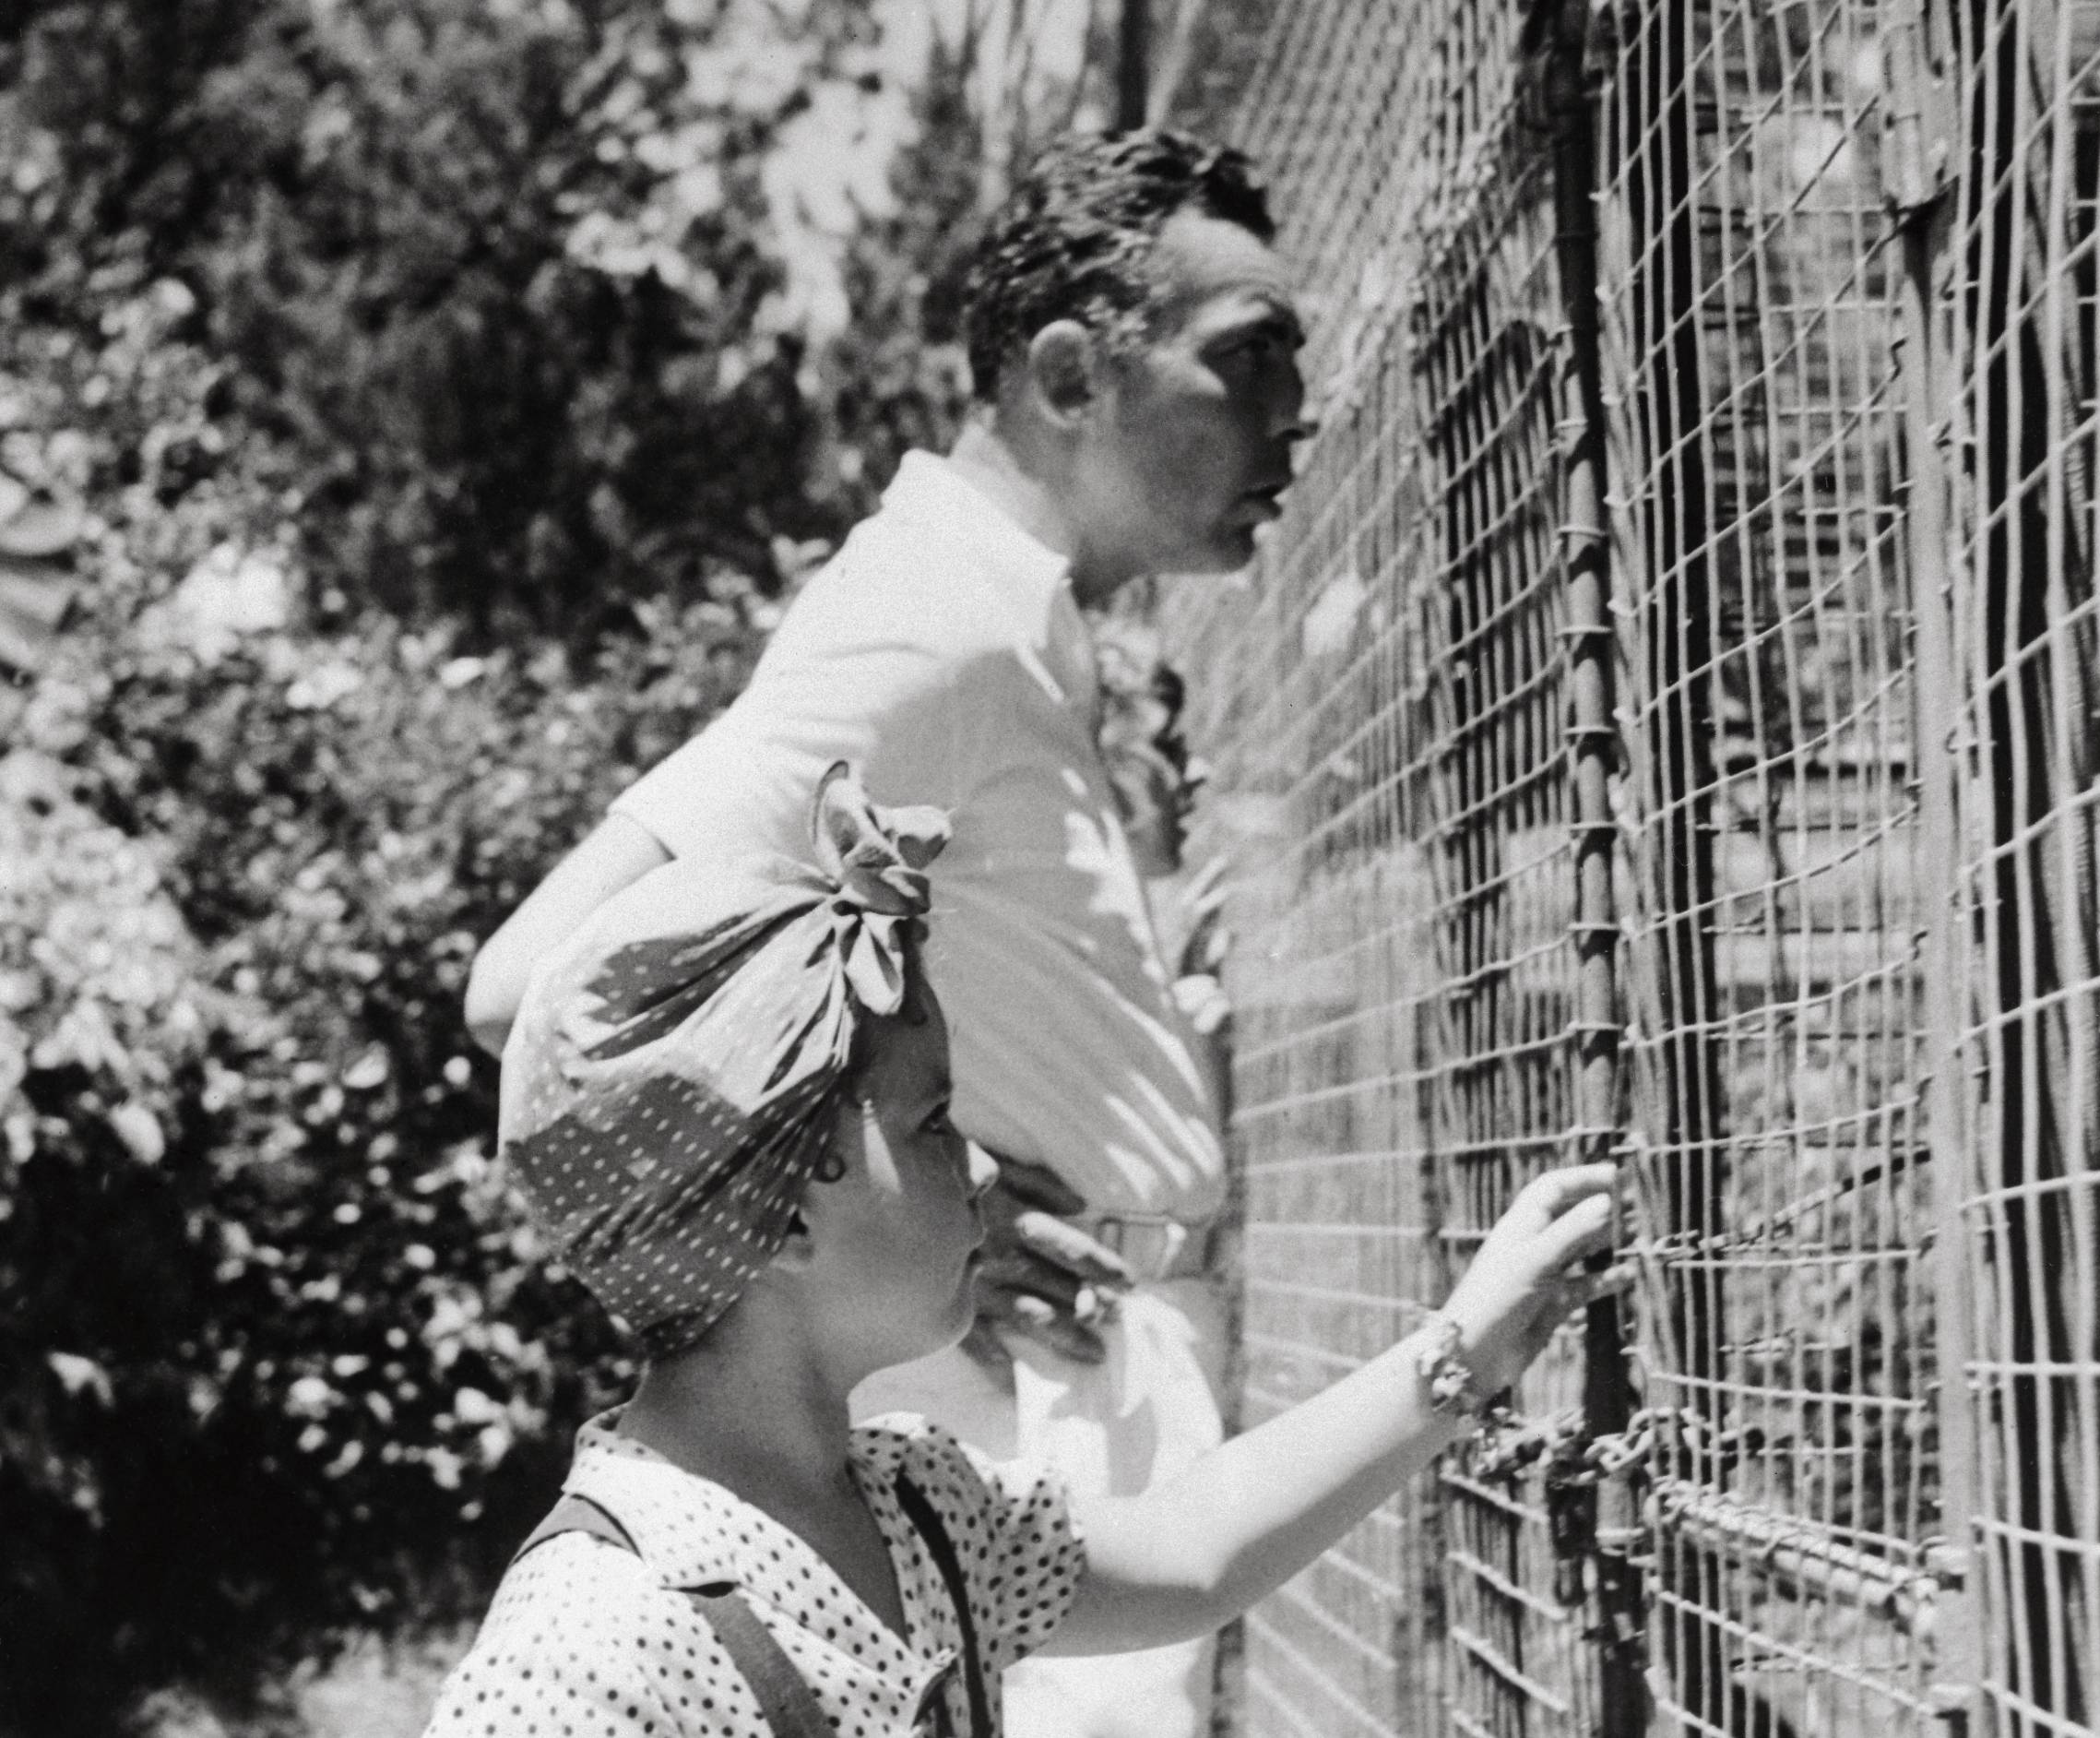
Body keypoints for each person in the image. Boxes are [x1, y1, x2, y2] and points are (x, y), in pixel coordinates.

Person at [462, 128, 1311, 1736]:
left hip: (1080, 1386)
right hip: (1029, 1401)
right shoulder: (933, 607)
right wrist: (951, 1212)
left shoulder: (1010, 618)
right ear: (1069, 376)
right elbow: (535, 987)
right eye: (1247, 359)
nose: (1293, 413)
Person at [425, 768, 1620, 1738]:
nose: (985, 1172)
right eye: (935, 1122)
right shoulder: (596, 1647)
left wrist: (1462, 1347)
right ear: (781, 1214)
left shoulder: (916, 1507)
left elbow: (1193, 1547)